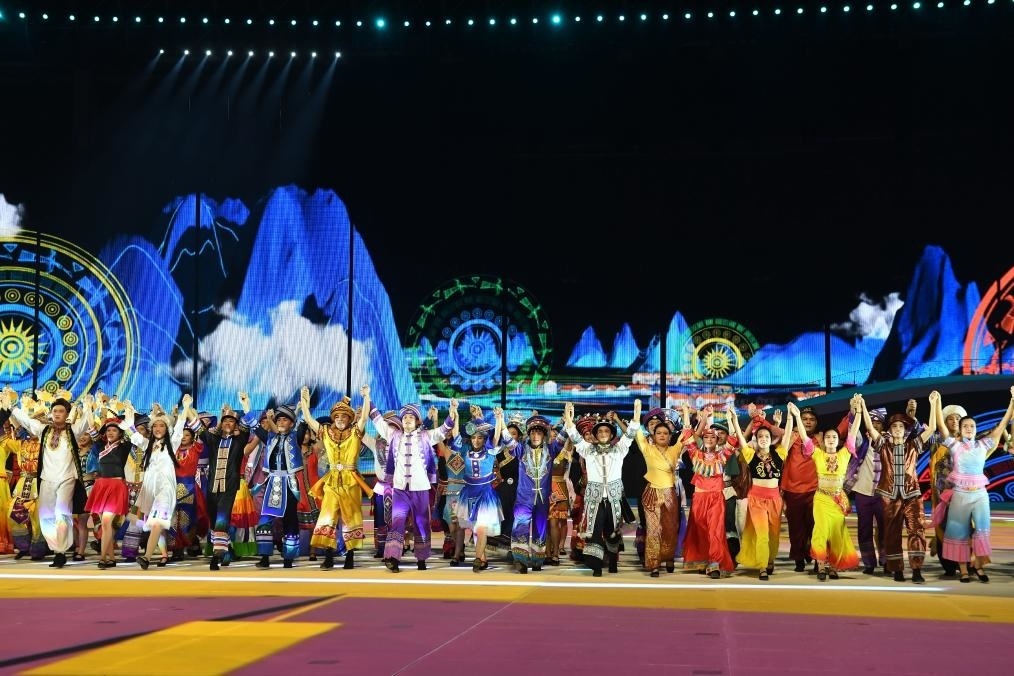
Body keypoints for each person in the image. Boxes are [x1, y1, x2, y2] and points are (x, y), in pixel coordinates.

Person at [935, 385, 1014, 583]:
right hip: (960, 495)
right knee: (959, 533)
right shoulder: (954, 446)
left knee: (982, 530)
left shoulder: (983, 445)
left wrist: (1013, 402)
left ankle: (978, 566)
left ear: (975, 429)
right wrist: (936, 403)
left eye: (972, 426)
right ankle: (963, 570)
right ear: (961, 430)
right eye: (965, 426)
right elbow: (942, 427)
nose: (969, 429)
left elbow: (1003, 425)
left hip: (979, 495)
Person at [859, 392, 938, 583]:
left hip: (912, 495)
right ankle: (897, 570)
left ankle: (917, 569)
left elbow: (933, 428)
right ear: (889, 429)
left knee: (916, 530)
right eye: (894, 426)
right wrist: (863, 406)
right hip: (890, 496)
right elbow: (869, 426)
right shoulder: (883, 445)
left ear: (905, 429)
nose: (897, 429)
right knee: (891, 533)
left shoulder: (914, 445)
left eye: (901, 426)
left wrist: (934, 404)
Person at [371, 399, 455, 572]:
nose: (407, 420)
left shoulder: (426, 436)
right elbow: (378, 421)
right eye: (404, 417)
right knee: (397, 522)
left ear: (417, 421)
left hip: (420, 489)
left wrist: (452, 411)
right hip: (400, 489)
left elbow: (444, 430)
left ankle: (421, 558)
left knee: (421, 523)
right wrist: (368, 398)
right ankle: (392, 558)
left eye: (411, 417)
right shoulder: (394, 435)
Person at [10, 391, 92, 568]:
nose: (57, 414)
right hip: (46, 479)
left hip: (67, 479)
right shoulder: (44, 430)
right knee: (46, 517)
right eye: (55, 411)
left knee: (62, 514)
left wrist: (87, 406)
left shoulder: (73, 431)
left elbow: (86, 422)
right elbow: (27, 421)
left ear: (67, 413)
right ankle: (56, 548)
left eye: (61, 411)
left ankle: (60, 552)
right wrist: (12, 407)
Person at [562, 401, 640, 577]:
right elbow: (574, 436)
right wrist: (568, 418)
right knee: (595, 531)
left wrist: (636, 415)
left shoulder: (619, 450)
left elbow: (630, 435)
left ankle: (612, 562)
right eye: (600, 431)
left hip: (613, 498)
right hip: (595, 499)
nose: (603, 433)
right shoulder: (588, 450)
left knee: (612, 531)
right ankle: (596, 566)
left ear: (611, 434)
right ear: (596, 434)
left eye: (606, 431)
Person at [302, 385, 371, 570]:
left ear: (349, 419)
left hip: (351, 482)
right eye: (337, 416)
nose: (340, 419)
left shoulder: (355, 432)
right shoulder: (326, 432)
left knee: (351, 518)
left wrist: (366, 397)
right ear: (333, 418)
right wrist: (305, 402)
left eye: (344, 416)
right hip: (332, 481)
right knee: (328, 517)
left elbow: (364, 417)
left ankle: (350, 556)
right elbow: (309, 419)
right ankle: (329, 557)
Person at [795, 399, 862, 581]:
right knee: (821, 531)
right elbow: (804, 436)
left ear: (838, 441)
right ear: (823, 441)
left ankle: (833, 566)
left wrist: (859, 411)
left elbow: (853, 431)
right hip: (821, 499)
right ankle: (821, 565)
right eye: (828, 438)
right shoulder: (817, 454)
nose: (831, 439)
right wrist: (797, 417)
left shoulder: (845, 453)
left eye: (834, 437)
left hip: (837, 501)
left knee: (836, 534)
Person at [189, 392, 254, 570]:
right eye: (225, 420)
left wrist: (246, 405)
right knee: (214, 522)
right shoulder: (213, 439)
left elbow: (248, 425)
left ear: (236, 425)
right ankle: (227, 551)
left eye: (231, 421)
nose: (227, 423)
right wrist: (186, 408)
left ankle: (215, 558)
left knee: (221, 520)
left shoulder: (240, 440)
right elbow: (198, 428)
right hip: (212, 487)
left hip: (229, 487)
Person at [728, 409, 790, 580]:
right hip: (756, 499)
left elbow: (787, 436)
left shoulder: (779, 454)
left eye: (767, 436)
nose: (763, 438)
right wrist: (735, 421)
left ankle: (769, 559)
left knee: (773, 535)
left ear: (771, 439)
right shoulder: (750, 455)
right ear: (756, 439)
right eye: (760, 436)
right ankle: (762, 566)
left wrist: (792, 417)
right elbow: (742, 440)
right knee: (762, 534)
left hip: (775, 500)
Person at [249, 402, 309, 569]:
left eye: (285, 420)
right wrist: (247, 407)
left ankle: (288, 558)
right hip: (272, 483)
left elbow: (304, 423)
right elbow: (255, 426)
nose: (281, 422)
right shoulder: (270, 437)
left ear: (292, 423)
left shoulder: (296, 437)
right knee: (264, 520)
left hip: (289, 483)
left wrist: (304, 406)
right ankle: (265, 557)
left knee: (290, 520)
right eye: (279, 420)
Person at [681, 403, 735, 579]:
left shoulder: (722, 456)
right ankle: (703, 560)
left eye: (713, 437)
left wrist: (730, 419)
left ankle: (715, 563)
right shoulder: (695, 454)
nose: (710, 439)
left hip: (716, 498)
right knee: (701, 531)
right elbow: (687, 434)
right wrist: (686, 412)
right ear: (703, 439)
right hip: (699, 498)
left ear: (717, 440)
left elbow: (733, 440)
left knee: (715, 530)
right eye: (707, 437)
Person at [631, 407, 686, 577]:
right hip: (651, 494)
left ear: (670, 436)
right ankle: (654, 563)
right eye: (659, 433)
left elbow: (687, 434)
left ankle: (668, 557)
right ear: (653, 436)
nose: (662, 435)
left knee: (670, 529)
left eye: (665, 433)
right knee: (653, 530)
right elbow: (638, 433)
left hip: (670, 494)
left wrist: (686, 415)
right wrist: (637, 413)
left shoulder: (675, 449)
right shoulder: (647, 449)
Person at [127, 402, 182, 569]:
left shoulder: (173, 443)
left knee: (157, 522)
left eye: (162, 425)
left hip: (165, 488)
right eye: (155, 425)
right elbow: (133, 435)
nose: (158, 428)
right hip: (149, 489)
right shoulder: (148, 445)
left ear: (167, 428)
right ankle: (162, 554)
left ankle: (146, 557)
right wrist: (130, 416)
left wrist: (186, 409)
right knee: (155, 524)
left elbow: (179, 427)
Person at [455, 408, 510, 572]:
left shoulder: (490, 451)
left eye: (480, 437)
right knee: (475, 529)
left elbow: (496, 436)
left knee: (481, 528)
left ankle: (478, 559)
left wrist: (499, 419)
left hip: (485, 494)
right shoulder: (465, 451)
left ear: (484, 439)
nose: (476, 441)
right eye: (473, 437)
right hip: (468, 494)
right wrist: (455, 415)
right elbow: (456, 435)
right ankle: (483, 558)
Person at [510, 412, 565, 573]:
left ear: (544, 435)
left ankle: (537, 559)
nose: (535, 436)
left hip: (542, 499)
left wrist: (568, 420)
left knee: (540, 528)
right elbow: (507, 440)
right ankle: (520, 560)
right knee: (520, 526)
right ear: (528, 434)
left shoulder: (551, 450)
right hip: (524, 497)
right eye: (533, 433)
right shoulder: (521, 450)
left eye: (539, 433)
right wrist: (499, 420)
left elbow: (563, 436)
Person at [82, 414, 133, 568]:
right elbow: (92, 429)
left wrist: (128, 415)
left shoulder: (124, 447)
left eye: (114, 430)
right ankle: (111, 558)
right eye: (108, 430)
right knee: (106, 526)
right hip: (101, 486)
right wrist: (88, 409)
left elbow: (131, 434)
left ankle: (103, 558)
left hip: (116, 486)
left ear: (120, 433)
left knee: (106, 522)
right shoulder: (100, 446)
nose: (111, 432)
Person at [843, 405, 888, 575]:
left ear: (883, 426)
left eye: (878, 423)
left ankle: (886, 560)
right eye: (872, 422)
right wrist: (854, 412)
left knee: (885, 528)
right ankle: (869, 563)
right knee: (864, 529)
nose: (875, 425)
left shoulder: (888, 443)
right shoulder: (861, 443)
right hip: (863, 493)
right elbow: (853, 431)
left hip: (883, 494)